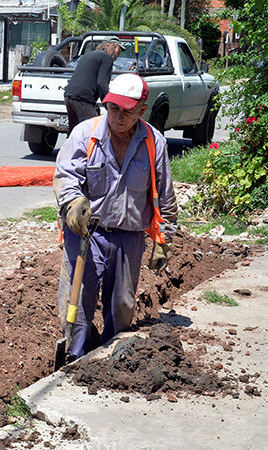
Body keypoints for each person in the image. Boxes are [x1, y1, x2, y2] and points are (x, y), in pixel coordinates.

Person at [53, 73, 178, 360]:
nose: (118, 116)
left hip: (129, 236)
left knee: (121, 304)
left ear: (141, 110)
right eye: (113, 108)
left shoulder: (153, 143)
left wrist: (163, 239)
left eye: (126, 111)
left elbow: (165, 195)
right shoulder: (86, 134)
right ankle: (75, 352)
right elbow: (65, 176)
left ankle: (109, 356)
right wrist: (72, 202)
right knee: (78, 299)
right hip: (86, 233)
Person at [63, 37, 125, 134]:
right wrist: (108, 105)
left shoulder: (88, 55)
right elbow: (102, 84)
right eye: (119, 50)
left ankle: (71, 148)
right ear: (114, 47)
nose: (119, 54)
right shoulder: (107, 58)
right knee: (92, 132)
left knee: (74, 133)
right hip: (83, 98)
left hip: (69, 96)